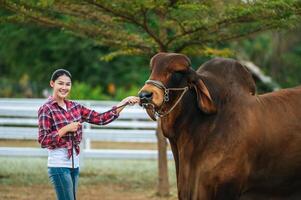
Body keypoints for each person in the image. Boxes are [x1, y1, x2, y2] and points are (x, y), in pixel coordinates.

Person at [38, 69, 139, 200]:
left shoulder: (76, 107)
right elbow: (43, 140)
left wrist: (123, 103)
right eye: (60, 83)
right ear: (52, 84)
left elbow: (101, 118)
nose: (64, 87)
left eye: (67, 84)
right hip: (58, 164)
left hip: (74, 164)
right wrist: (66, 129)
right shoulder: (46, 109)